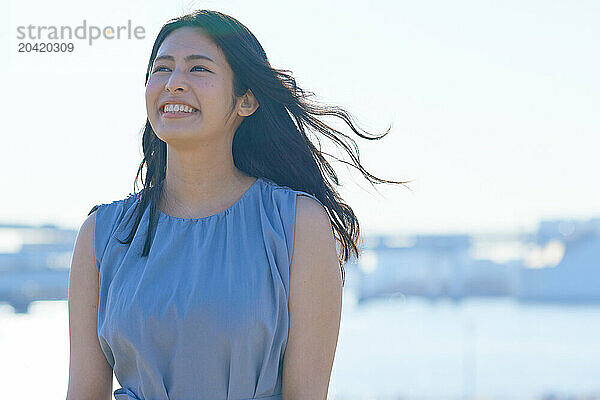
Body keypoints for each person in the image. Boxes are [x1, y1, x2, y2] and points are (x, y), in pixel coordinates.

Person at [66, 9, 407, 400]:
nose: (174, 83)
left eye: (198, 69)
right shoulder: (103, 234)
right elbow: (83, 392)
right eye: (162, 69)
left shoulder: (297, 224)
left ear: (246, 100)